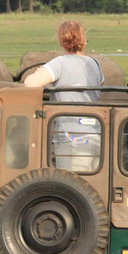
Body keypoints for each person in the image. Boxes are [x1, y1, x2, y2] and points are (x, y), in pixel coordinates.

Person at [24, 20, 104, 171]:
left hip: (71, 138)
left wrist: (39, 72)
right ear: (83, 40)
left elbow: (30, 83)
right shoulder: (94, 63)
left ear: (61, 40)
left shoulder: (60, 63)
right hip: (95, 134)